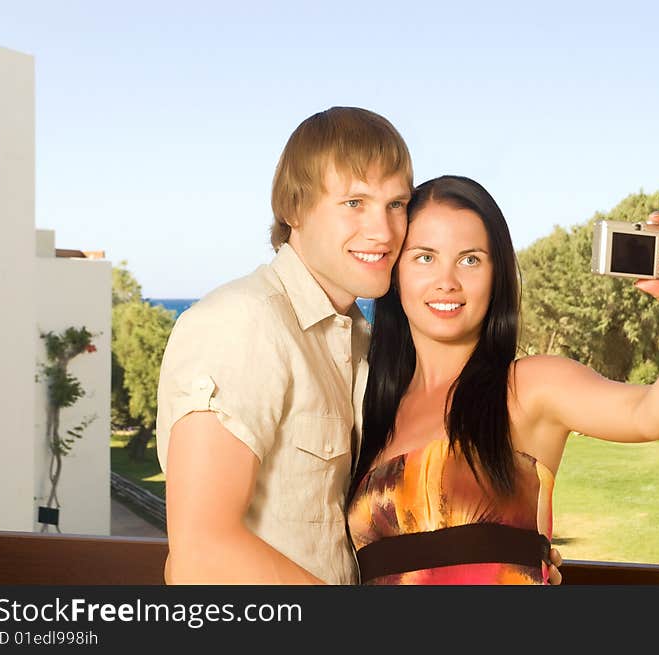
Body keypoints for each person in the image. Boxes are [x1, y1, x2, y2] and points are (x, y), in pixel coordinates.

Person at [155, 108, 564, 584]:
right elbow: (201, 552)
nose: (384, 231)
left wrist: (506, 549)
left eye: (395, 205)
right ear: (292, 208)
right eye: (354, 203)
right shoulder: (242, 324)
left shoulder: (361, 348)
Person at [348, 175, 659, 584]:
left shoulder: (528, 387)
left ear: (497, 274)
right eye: (425, 257)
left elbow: (653, 415)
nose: (447, 280)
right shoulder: (366, 403)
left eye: (470, 259)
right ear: (395, 272)